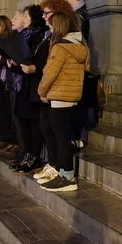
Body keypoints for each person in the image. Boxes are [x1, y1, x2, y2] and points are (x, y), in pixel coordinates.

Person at [37, 11, 90, 192]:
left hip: (59, 96)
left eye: (51, 26)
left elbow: (50, 73)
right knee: (63, 136)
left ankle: (67, 176)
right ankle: (63, 173)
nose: (50, 30)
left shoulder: (60, 47)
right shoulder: (79, 45)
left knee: (61, 138)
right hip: (71, 95)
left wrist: (42, 91)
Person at [8, 5, 47, 174]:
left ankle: (34, 156)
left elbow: (38, 61)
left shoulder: (37, 36)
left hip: (32, 84)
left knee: (32, 123)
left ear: (31, 18)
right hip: (21, 83)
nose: (22, 17)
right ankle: (27, 154)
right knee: (23, 122)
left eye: (25, 15)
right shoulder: (23, 35)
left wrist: (28, 66)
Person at [0, 15, 18, 154]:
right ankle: (4, 137)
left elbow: (13, 60)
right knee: (1, 110)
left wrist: (1, 58)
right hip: (2, 78)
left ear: (3, 26)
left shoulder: (9, 40)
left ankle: (14, 140)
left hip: (12, 80)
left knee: (11, 113)